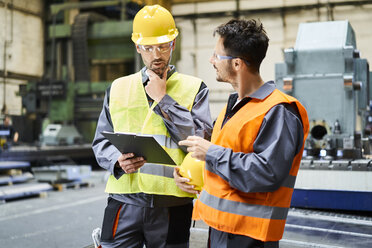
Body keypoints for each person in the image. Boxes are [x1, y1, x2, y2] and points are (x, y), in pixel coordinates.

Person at [174, 19, 309, 248]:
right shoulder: (233, 106)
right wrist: (191, 177)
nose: (211, 60)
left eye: (217, 55)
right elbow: (226, 165)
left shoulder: (279, 111)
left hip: (250, 237)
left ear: (237, 64)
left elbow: (267, 172)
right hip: (220, 230)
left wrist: (211, 153)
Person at [92, 4, 213, 248]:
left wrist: (163, 100)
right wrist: (117, 160)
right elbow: (100, 142)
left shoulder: (194, 88)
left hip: (172, 203)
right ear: (137, 47)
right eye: (148, 48)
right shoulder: (117, 88)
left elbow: (200, 142)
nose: (156, 54)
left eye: (162, 46)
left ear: (173, 44)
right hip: (124, 199)